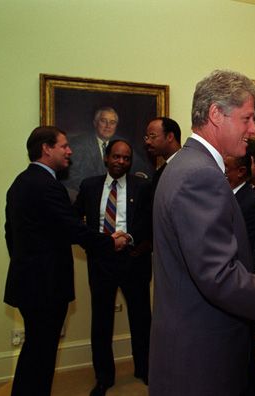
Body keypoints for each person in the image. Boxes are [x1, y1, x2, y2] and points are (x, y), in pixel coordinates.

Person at [148, 69, 255, 396]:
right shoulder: (200, 176)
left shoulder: (183, 166)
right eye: (247, 118)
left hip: (188, 343)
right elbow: (218, 275)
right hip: (202, 356)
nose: (254, 129)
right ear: (216, 114)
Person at [4, 126, 128, 396]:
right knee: (42, 355)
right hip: (45, 286)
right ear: (47, 149)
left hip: (28, 283)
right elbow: (73, 229)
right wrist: (110, 242)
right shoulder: (47, 186)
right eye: (63, 146)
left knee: (35, 350)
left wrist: (26, 264)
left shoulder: (20, 183)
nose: (69, 151)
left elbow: (10, 234)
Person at [74, 140, 153, 396]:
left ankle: (145, 368)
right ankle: (104, 377)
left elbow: (150, 221)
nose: (121, 162)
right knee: (101, 322)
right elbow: (74, 219)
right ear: (106, 158)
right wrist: (93, 243)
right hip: (101, 263)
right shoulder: (89, 186)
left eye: (126, 158)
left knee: (141, 319)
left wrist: (130, 239)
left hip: (134, 260)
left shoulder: (142, 187)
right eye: (116, 157)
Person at [224, 153, 255, 246]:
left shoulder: (254, 202)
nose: (220, 170)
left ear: (241, 171)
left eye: (225, 166)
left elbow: (245, 244)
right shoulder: (218, 193)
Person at [144, 117, 182, 192]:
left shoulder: (188, 166)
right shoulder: (160, 173)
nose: (147, 142)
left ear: (170, 137)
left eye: (152, 136)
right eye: (147, 137)